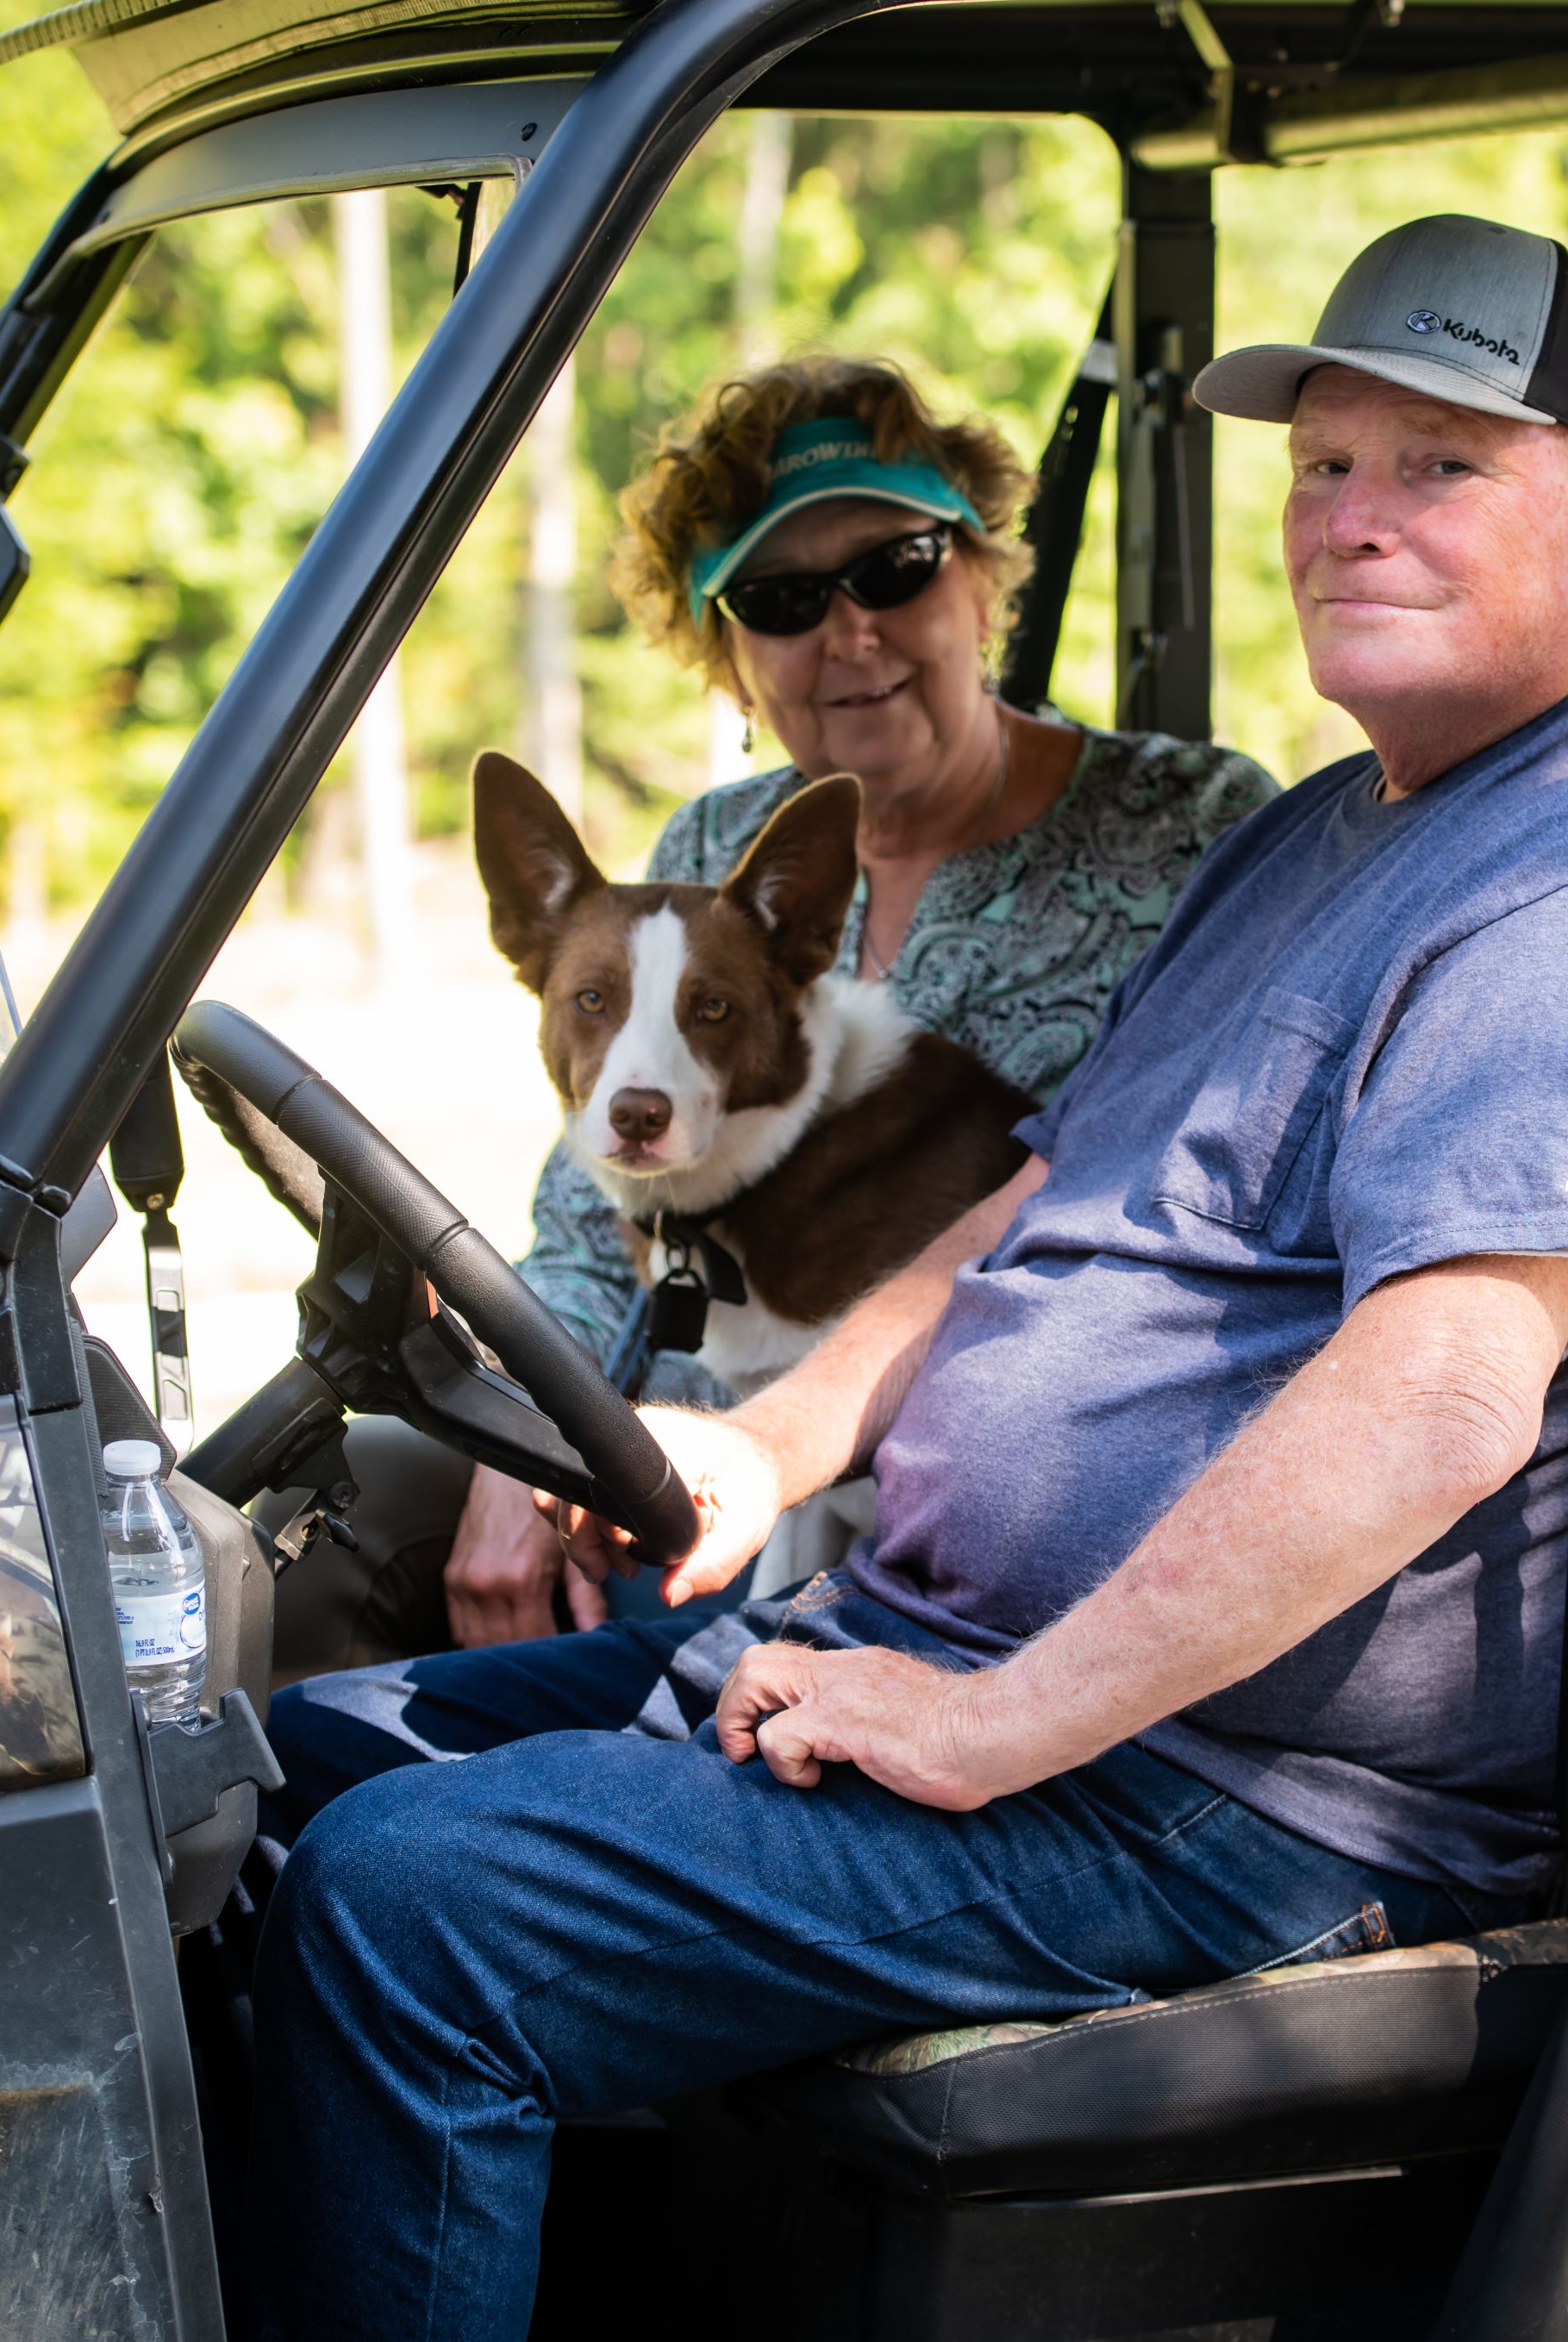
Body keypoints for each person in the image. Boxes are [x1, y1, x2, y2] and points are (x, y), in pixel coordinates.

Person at [245, 215, 1568, 2340]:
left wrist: (994, 1721)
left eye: (1437, 464)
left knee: (406, 1909)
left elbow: (1440, 1398)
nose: (1348, 520)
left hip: (1219, 1795)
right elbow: (1035, 1207)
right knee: (271, 1768)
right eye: (1321, 464)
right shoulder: (1346, 825)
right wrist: (774, 1440)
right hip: (954, 1651)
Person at [277, 354, 1276, 1669]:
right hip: (655, 1477)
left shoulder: (1193, 830)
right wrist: (518, 1459)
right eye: (782, 599)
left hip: (978, 1521)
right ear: (730, 655)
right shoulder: (717, 845)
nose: (849, 633)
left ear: (979, 580)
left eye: (896, 567)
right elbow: (590, 1229)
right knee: (307, 1529)